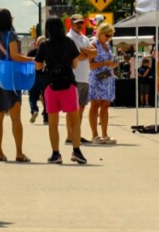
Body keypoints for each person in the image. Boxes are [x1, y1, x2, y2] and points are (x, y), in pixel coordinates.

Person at [0, 9, 34, 162]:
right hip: (12, 79)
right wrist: (32, 60)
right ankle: (19, 153)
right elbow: (14, 56)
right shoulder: (11, 35)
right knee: (15, 117)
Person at [34, 17, 86, 164]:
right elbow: (75, 65)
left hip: (51, 86)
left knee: (53, 122)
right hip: (69, 84)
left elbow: (37, 66)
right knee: (74, 121)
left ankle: (56, 154)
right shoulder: (69, 43)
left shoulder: (44, 45)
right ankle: (76, 151)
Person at [67, 14, 96, 143]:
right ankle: (70, 135)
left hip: (85, 76)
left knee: (81, 108)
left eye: (81, 22)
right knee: (72, 108)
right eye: (77, 23)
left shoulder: (84, 38)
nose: (80, 25)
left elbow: (93, 53)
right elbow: (76, 57)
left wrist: (85, 52)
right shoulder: (69, 38)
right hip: (75, 76)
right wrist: (85, 53)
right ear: (71, 24)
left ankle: (76, 134)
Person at [88, 23, 118, 144]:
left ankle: (105, 134)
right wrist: (105, 63)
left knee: (106, 105)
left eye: (111, 36)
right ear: (100, 33)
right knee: (95, 105)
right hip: (96, 78)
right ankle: (95, 135)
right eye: (107, 35)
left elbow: (109, 61)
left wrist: (112, 64)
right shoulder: (93, 44)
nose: (108, 37)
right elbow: (90, 65)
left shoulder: (107, 45)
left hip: (107, 78)